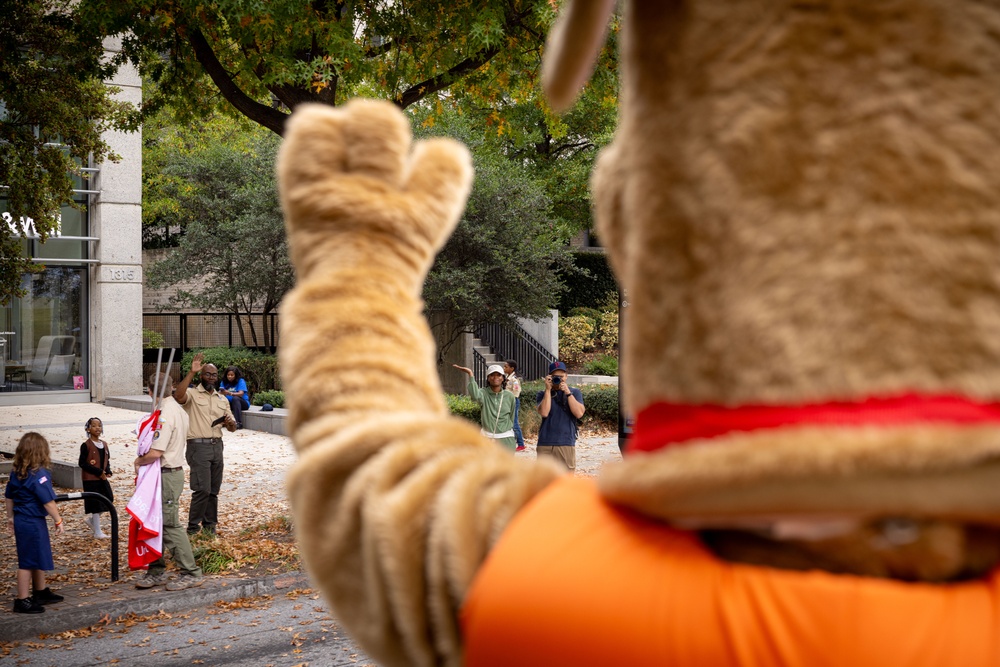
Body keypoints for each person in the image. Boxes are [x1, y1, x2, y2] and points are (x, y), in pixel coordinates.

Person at [133, 372, 204, 591]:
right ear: (172, 387)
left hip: (166, 472)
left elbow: (156, 451)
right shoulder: (177, 409)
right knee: (156, 522)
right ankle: (156, 570)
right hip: (167, 472)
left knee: (170, 524)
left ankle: (191, 571)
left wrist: (139, 460)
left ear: (149, 391)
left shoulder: (165, 414)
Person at [174, 353, 236, 536]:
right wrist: (191, 373)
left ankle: (210, 528)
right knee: (202, 489)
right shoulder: (192, 394)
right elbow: (178, 396)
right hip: (198, 447)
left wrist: (231, 424)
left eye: (214, 375)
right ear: (201, 375)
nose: (211, 378)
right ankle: (193, 529)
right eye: (207, 374)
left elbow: (232, 428)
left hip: (217, 446)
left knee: (213, 491)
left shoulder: (222, 399)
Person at [4, 432, 64, 614]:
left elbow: (8, 496)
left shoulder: (17, 472)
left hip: (23, 518)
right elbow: (48, 502)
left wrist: (10, 517)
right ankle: (22, 599)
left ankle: (40, 591)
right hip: (33, 521)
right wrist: (58, 520)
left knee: (36, 556)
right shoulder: (39, 475)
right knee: (28, 562)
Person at [453, 363, 518, 450]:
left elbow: (512, 417)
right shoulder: (483, 393)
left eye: (498, 375)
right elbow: (475, 396)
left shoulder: (509, 396)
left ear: (503, 378)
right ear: (488, 378)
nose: (495, 377)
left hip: (506, 439)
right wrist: (471, 374)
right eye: (492, 375)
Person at [535, 361, 586, 473]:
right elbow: (544, 413)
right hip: (545, 442)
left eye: (561, 376)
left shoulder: (574, 392)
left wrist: (567, 392)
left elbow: (579, 414)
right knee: (543, 482)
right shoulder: (542, 394)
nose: (558, 379)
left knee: (566, 482)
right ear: (549, 377)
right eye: (555, 377)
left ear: (566, 376)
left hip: (566, 442)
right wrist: (548, 390)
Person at [78, 417, 113, 539]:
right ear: (88, 429)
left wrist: (107, 470)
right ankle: (97, 531)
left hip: (101, 478)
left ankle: (92, 521)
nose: (97, 428)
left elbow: (106, 460)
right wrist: (98, 471)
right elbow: (82, 463)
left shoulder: (104, 444)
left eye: (99, 425)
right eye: (94, 425)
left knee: (108, 499)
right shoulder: (86, 445)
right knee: (95, 504)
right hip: (91, 479)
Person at [503, 360, 526, 452]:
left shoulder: (514, 379)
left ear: (512, 368)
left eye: (506, 367)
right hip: (506, 401)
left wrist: (511, 400)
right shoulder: (506, 377)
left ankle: (521, 444)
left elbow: (516, 391)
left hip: (513, 401)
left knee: (514, 422)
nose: (504, 368)